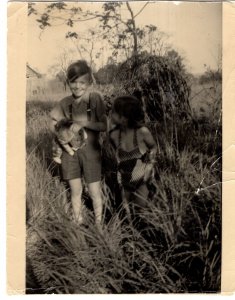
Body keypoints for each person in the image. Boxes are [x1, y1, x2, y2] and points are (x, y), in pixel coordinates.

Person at [50, 60, 107, 228]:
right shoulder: (64, 103)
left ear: (89, 82)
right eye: (73, 81)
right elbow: (52, 123)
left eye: (82, 82)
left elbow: (104, 126)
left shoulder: (95, 99)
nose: (77, 86)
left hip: (91, 153)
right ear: (68, 82)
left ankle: (99, 224)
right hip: (70, 154)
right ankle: (77, 221)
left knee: (94, 191)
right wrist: (62, 136)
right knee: (75, 190)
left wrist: (83, 124)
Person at [109, 95, 157, 217]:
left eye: (113, 111)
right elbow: (117, 155)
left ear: (124, 118)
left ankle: (146, 229)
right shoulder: (114, 135)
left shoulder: (142, 132)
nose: (110, 113)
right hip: (125, 178)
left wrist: (150, 164)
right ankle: (132, 231)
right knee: (127, 208)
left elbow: (153, 147)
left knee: (140, 207)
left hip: (142, 178)